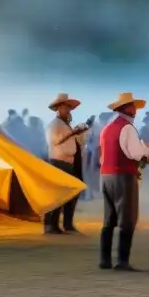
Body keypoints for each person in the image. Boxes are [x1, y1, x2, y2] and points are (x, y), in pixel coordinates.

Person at [98, 92, 149, 269]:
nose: (135, 109)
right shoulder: (128, 128)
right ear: (126, 108)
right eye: (133, 106)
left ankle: (105, 260)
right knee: (128, 219)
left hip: (106, 176)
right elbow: (136, 153)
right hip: (122, 177)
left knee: (109, 220)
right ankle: (122, 261)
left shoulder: (107, 128)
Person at [44, 93, 91, 234]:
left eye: (69, 108)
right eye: (65, 107)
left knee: (70, 193)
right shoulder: (54, 125)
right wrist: (73, 133)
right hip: (58, 162)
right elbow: (54, 141)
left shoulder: (65, 125)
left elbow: (75, 142)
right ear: (58, 108)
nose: (68, 110)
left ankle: (66, 223)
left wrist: (78, 133)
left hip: (68, 162)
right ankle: (51, 225)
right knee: (57, 195)